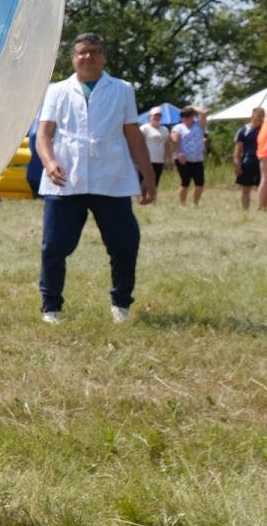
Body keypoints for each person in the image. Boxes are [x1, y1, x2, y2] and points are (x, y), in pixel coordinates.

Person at [35, 33, 155, 323]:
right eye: (81, 52)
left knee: (125, 244)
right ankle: (51, 307)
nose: (87, 57)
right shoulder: (56, 90)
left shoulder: (123, 89)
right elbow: (44, 134)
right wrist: (49, 162)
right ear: (72, 58)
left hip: (110, 178)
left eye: (94, 51)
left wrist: (148, 175)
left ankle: (121, 303)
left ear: (103, 56)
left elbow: (133, 134)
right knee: (54, 246)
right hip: (66, 179)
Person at [169, 107, 208, 207]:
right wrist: (180, 154)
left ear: (192, 116)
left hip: (198, 159)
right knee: (185, 182)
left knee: (200, 183)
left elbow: (204, 112)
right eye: (183, 116)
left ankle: (195, 203)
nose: (185, 118)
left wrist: (192, 106)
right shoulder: (178, 127)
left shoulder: (199, 125)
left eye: (188, 116)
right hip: (183, 159)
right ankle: (182, 204)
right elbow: (175, 142)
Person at [233, 107, 263, 210]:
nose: (261, 119)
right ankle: (245, 210)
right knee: (246, 189)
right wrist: (237, 165)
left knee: (263, 186)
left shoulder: (264, 130)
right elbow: (238, 149)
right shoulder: (243, 130)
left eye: (263, 117)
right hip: (248, 162)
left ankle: (262, 208)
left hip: (262, 162)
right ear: (252, 117)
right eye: (259, 117)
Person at [138, 111, 169, 195]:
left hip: (159, 160)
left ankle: (152, 200)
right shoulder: (144, 128)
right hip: (146, 159)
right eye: (155, 115)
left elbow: (166, 144)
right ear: (150, 117)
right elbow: (139, 143)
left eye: (159, 116)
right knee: (143, 181)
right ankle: (142, 198)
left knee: (155, 181)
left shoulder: (164, 129)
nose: (157, 117)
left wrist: (168, 158)